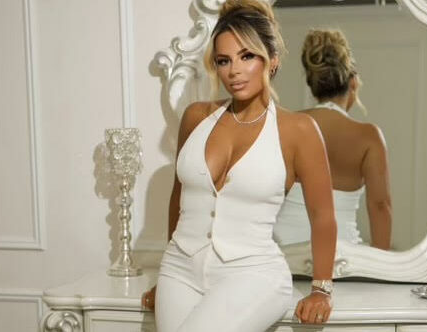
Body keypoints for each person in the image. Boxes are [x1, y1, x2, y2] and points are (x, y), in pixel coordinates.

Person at [141, 1, 338, 331]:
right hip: (179, 268)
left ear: (271, 61)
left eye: (247, 56)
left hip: (253, 274)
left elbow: (323, 216)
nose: (234, 70)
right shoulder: (196, 117)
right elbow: (179, 198)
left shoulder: (298, 130)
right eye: (223, 60)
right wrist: (165, 277)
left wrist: (321, 288)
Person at [274, 29, 392, 250]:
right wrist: (382, 268)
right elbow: (380, 206)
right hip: (342, 255)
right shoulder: (369, 137)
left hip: (285, 254)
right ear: (353, 83)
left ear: (312, 83)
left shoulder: (286, 126)